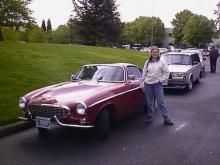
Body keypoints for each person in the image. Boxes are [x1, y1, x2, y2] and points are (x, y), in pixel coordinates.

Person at [141, 47, 173, 125]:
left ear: (158, 53)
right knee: (149, 102)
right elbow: (144, 73)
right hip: (148, 84)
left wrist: (160, 80)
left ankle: (166, 118)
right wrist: (142, 83)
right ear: (151, 53)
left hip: (157, 84)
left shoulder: (162, 62)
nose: (155, 54)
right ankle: (150, 117)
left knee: (161, 102)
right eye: (153, 52)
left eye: (156, 52)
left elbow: (167, 73)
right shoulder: (147, 62)